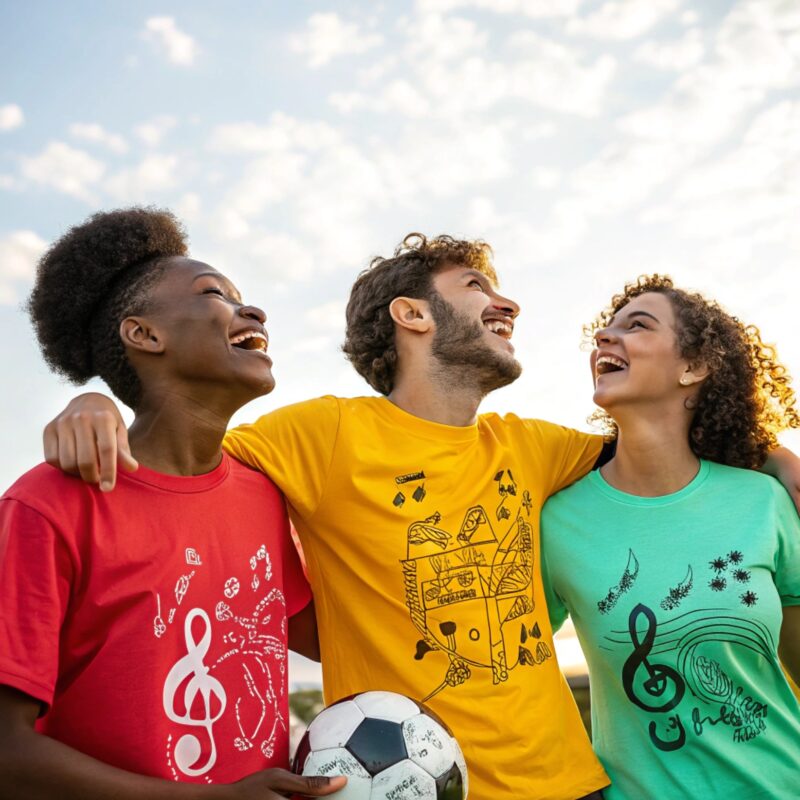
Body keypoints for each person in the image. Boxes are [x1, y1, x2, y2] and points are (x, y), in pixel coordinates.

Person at [36, 236, 800, 799]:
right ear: (413, 315)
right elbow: (180, 450)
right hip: (418, 788)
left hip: (576, 785)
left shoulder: (534, 448)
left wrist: (775, 455)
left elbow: (669, 435)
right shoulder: (322, 436)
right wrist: (96, 399)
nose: (506, 303)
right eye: (475, 285)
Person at [0, 208, 345, 799]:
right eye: (215, 294)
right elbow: (7, 753)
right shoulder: (46, 506)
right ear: (144, 335)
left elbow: (331, 639)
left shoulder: (263, 495)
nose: (253, 311)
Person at [541, 275, 800, 799]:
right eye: (604, 331)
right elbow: (515, 669)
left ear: (694, 367)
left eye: (637, 325)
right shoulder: (557, 522)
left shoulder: (764, 501)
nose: (605, 340)